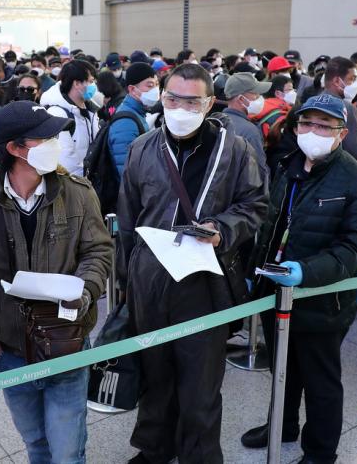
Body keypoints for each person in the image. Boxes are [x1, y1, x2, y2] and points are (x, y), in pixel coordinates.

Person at [118, 63, 267, 464]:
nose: (181, 108)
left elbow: (255, 205)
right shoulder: (143, 148)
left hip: (204, 282)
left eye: (191, 101)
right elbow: (128, 219)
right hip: (150, 280)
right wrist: (126, 282)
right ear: (161, 97)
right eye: (173, 99)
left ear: (209, 103)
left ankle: (199, 455)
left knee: (200, 384)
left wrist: (222, 228)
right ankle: (155, 448)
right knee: (155, 373)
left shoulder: (235, 150)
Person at [0, 101, 111, 464]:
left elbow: (98, 251)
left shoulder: (78, 193)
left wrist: (83, 291)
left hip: (67, 341)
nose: (56, 144)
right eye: (45, 138)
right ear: (15, 148)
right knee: (36, 444)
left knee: (68, 451)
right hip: (11, 348)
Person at [240, 94, 357, 463]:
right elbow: (272, 225)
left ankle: (320, 451)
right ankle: (282, 425)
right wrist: (256, 272)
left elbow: (356, 248)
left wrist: (306, 272)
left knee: (321, 381)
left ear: (342, 133)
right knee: (282, 369)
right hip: (275, 291)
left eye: (323, 126)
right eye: (306, 123)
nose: (312, 131)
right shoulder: (287, 166)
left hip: (322, 301)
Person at [41, 60, 101, 177]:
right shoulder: (58, 113)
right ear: (77, 83)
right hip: (72, 183)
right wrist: (83, 183)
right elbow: (66, 161)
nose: (94, 86)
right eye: (90, 81)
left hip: (89, 180)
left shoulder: (90, 110)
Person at [108, 62, 157, 179]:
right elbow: (126, 171)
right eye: (150, 86)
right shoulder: (125, 122)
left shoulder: (137, 112)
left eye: (156, 85)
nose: (155, 90)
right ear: (132, 89)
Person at [220, 72, 270, 175]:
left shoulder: (216, 120)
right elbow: (259, 172)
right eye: (256, 94)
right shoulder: (250, 131)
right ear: (241, 99)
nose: (260, 98)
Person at [253, 75, 295, 148]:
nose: (293, 92)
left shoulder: (263, 107)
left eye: (293, 89)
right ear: (278, 93)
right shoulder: (281, 115)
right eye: (289, 90)